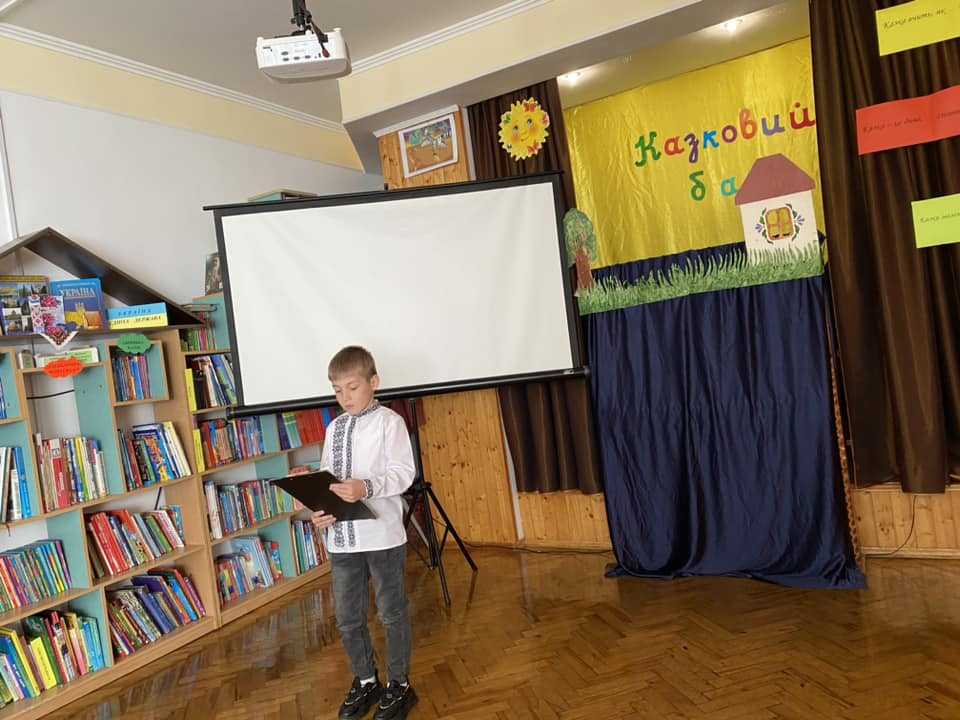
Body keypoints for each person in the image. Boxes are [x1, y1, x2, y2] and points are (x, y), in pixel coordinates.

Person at [306, 346, 418, 719]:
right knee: (347, 617)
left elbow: (404, 474)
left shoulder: (390, 423)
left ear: (374, 382)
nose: (345, 397)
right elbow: (328, 482)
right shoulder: (333, 428)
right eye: (337, 390)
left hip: (382, 537)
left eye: (352, 388)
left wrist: (365, 487)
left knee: (391, 612)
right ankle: (366, 680)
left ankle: (400, 685)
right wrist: (320, 510)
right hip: (341, 540)